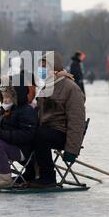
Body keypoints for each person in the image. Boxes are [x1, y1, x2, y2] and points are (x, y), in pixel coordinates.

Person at [29, 52, 86, 188]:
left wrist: (72, 149)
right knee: (28, 134)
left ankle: (48, 176)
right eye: (40, 67)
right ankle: (30, 173)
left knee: (40, 135)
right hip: (45, 130)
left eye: (44, 67)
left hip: (62, 133)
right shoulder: (47, 86)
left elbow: (77, 121)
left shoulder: (71, 88)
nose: (41, 70)